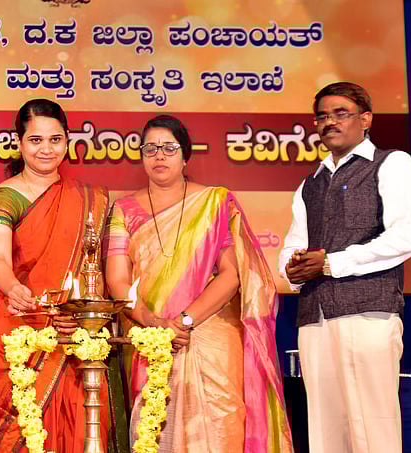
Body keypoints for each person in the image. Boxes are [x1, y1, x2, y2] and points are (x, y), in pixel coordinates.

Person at [105, 115, 292, 452]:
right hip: (149, 336)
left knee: (220, 427)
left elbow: (232, 275)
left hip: (209, 333)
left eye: (168, 148)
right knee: (154, 429)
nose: (159, 156)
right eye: (150, 149)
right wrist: (154, 324)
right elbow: (118, 279)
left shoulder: (215, 202)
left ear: (185, 156)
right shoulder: (123, 209)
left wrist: (183, 321)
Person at [0, 99, 128, 452]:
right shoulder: (5, 197)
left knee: (84, 424)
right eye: (36, 140)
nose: (46, 149)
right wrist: (14, 289)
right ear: (19, 142)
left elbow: (105, 272)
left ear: (67, 141)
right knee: (24, 432)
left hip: (78, 334)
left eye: (55, 140)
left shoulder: (93, 199)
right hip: (23, 326)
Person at [278, 82, 411, 453]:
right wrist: (291, 268)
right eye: (323, 116)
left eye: (340, 113)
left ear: (366, 119)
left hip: (368, 314)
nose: (330, 122)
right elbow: (294, 241)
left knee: (372, 427)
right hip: (315, 319)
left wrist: (330, 263)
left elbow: (406, 237)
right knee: (325, 430)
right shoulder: (310, 182)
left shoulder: (393, 164)